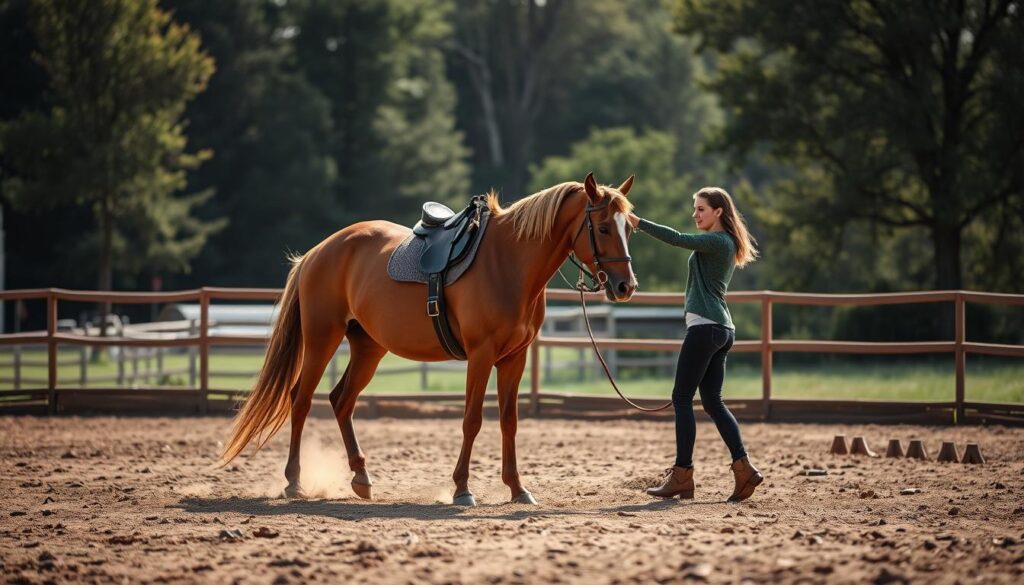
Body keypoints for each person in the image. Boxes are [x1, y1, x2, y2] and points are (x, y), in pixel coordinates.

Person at [627, 187, 763, 502]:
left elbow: (677, 238)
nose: (695, 214)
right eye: (695, 208)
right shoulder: (725, 242)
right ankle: (744, 469)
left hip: (706, 328)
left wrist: (638, 222)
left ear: (718, 211)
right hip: (721, 328)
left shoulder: (717, 241)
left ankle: (682, 475)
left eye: (701, 209)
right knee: (713, 402)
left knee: (681, 398)